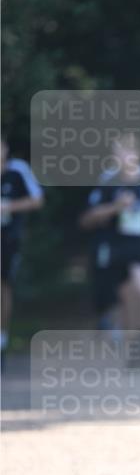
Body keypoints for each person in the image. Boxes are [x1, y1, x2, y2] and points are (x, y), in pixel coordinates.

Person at [79, 133, 140, 344]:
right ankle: (132, 342)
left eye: (128, 152)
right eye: (119, 153)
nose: (123, 157)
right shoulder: (108, 180)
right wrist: (116, 207)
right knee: (127, 297)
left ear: (137, 153)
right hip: (117, 245)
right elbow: (88, 217)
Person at [1, 137, 44, 368]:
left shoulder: (17, 170)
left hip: (8, 240)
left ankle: (2, 339)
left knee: (3, 287)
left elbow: (37, 200)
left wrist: (8, 206)